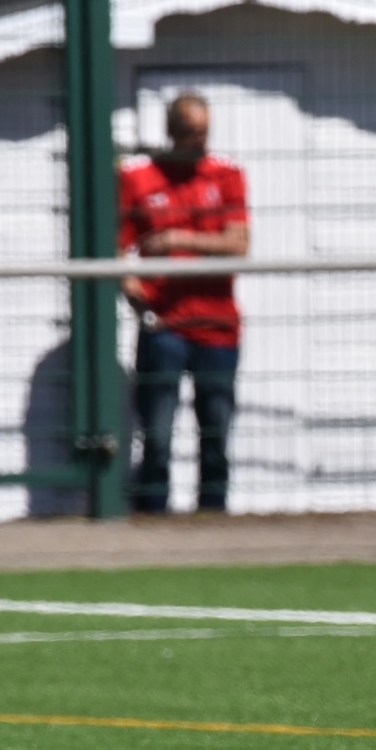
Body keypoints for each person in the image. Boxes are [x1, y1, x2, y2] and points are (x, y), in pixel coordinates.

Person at [119, 93, 249, 513]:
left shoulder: (225, 176)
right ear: (171, 131)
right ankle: (153, 522)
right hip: (164, 327)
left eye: (204, 132)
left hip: (217, 328)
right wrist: (131, 287)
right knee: (156, 437)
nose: (199, 141)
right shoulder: (138, 178)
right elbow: (116, 249)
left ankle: (212, 522)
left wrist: (179, 238)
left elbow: (238, 243)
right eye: (191, 133)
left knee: (215, 437)